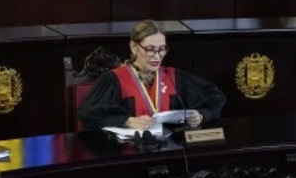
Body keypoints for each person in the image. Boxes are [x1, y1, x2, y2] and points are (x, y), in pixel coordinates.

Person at [79, 20, 226, 131]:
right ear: (134, 47)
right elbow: (87, 115)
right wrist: (128, 121)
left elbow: (216, 97)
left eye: (162, 49)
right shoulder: (115, 79)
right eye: (150, 49)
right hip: (129, 150)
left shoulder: (173, 77)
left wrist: (201, 116)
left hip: (170, 148)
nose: (157, 56)